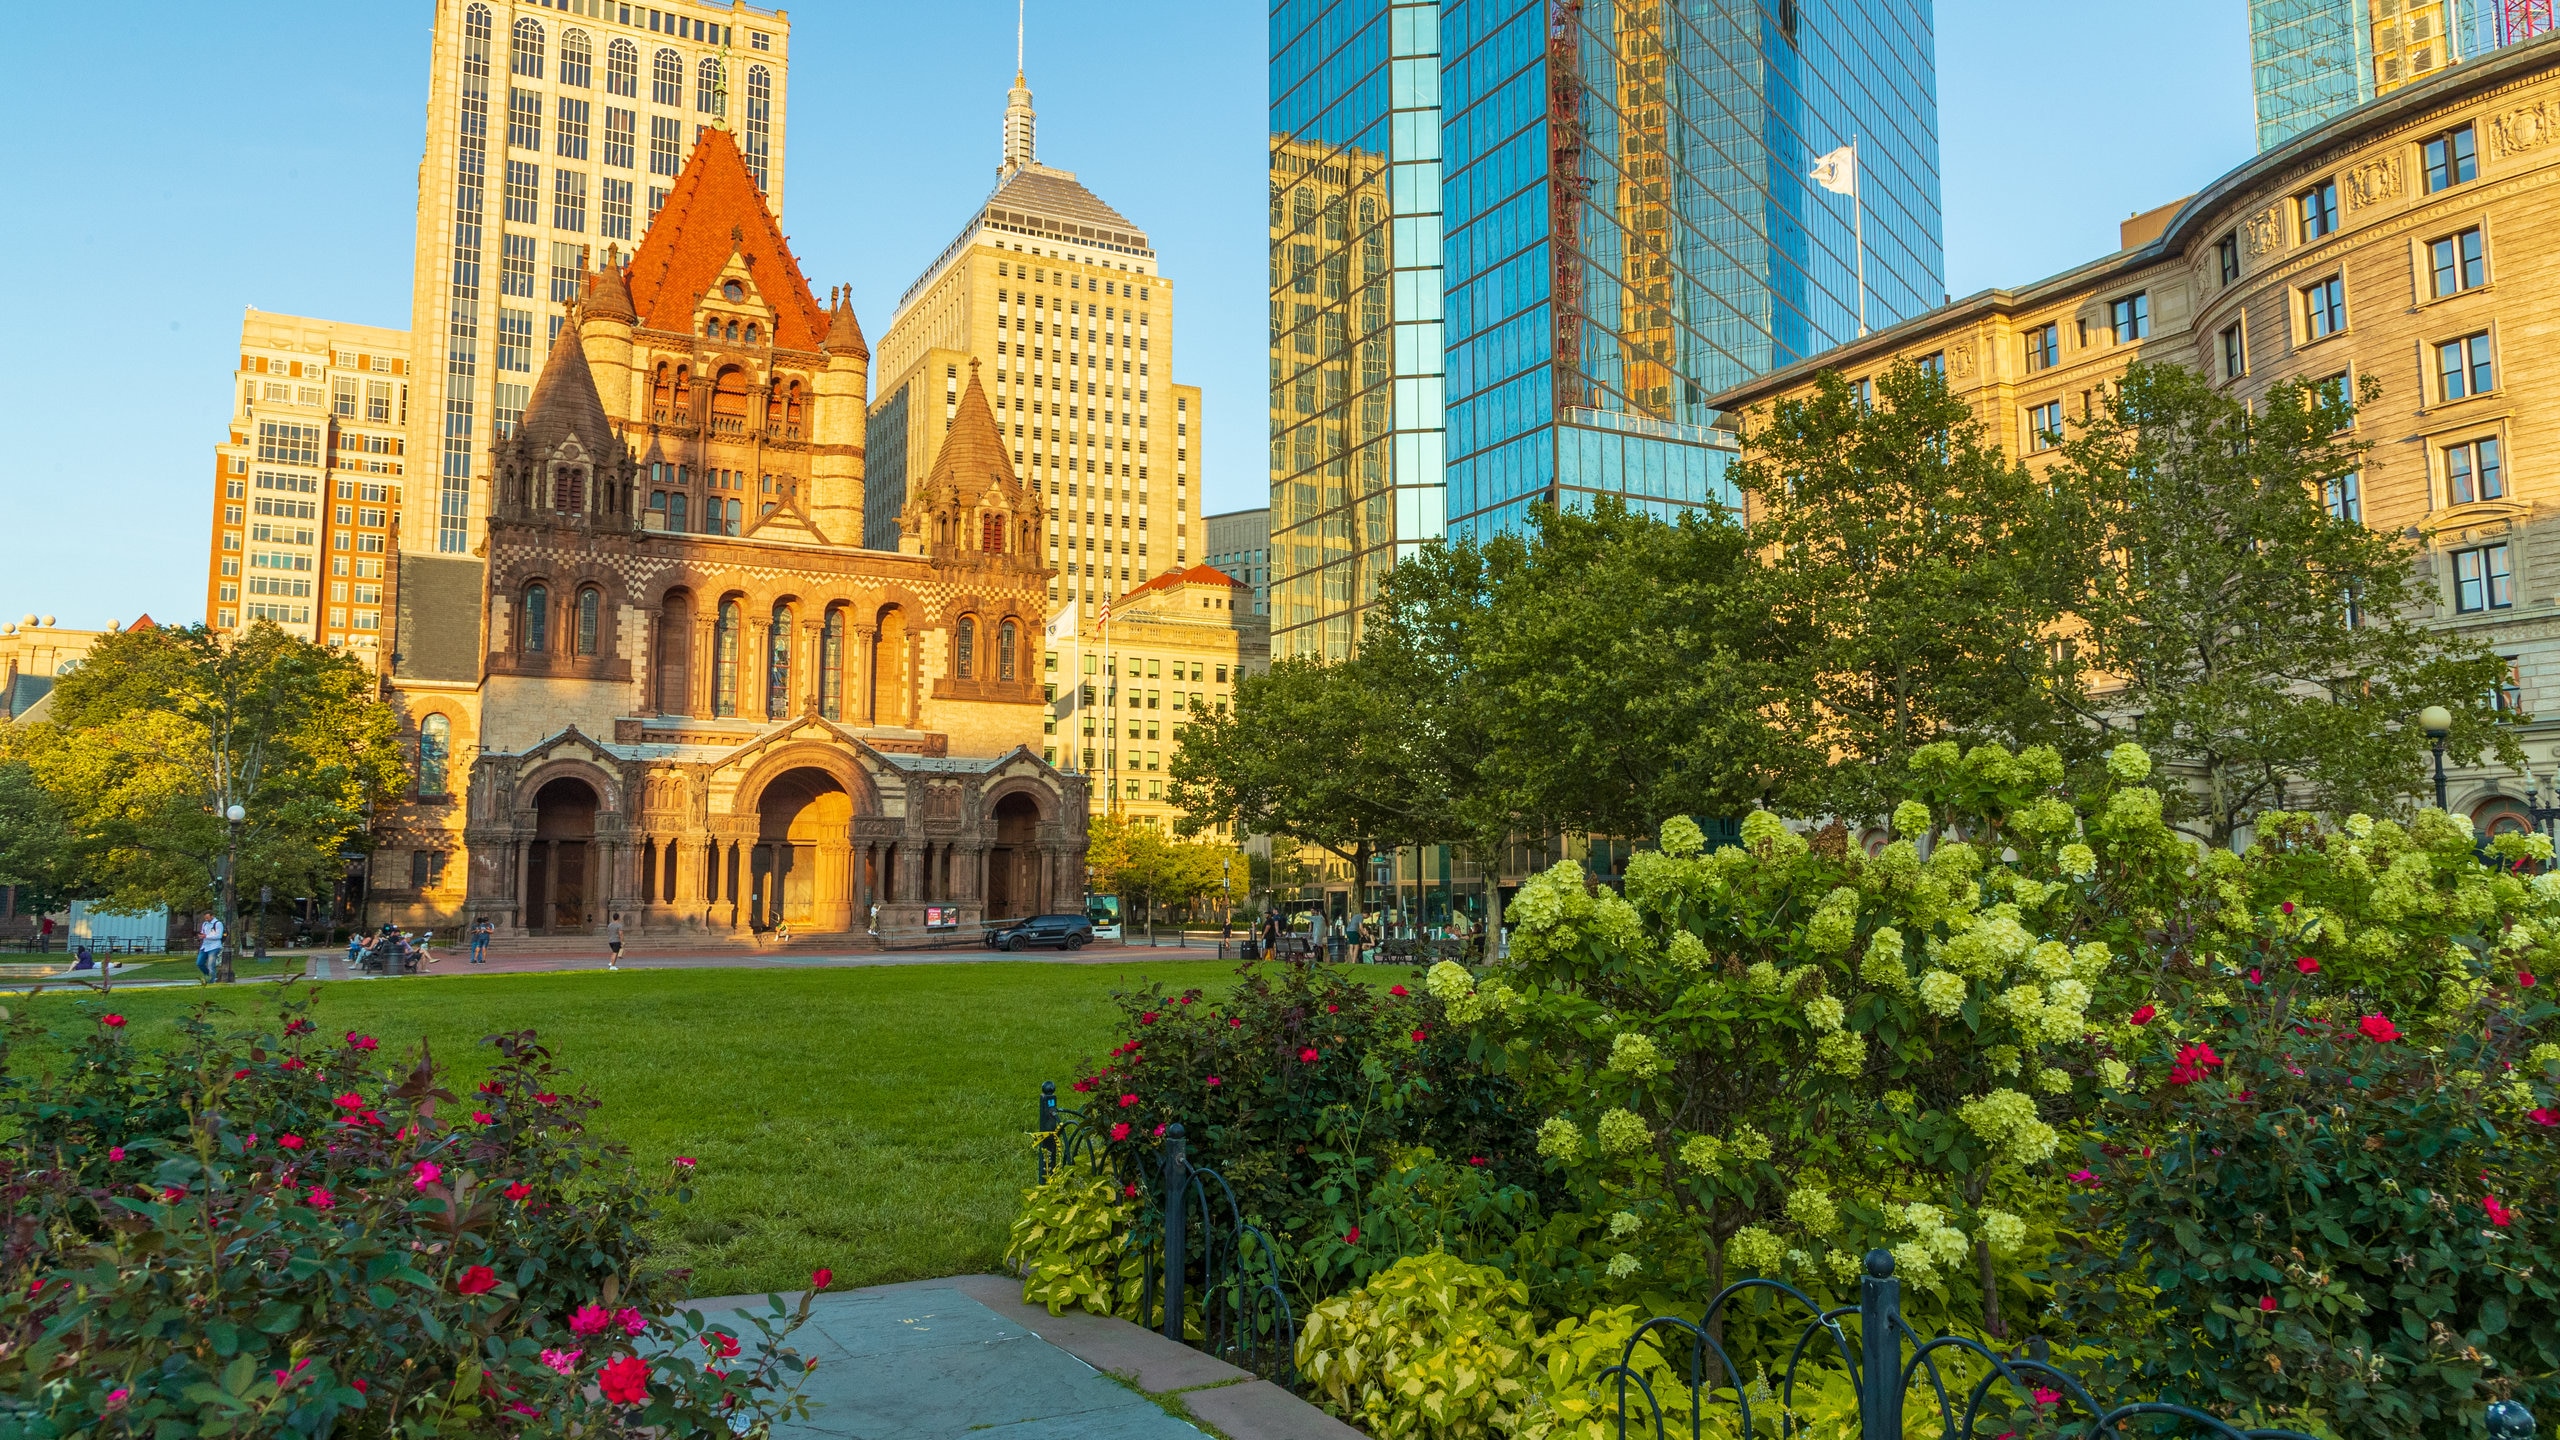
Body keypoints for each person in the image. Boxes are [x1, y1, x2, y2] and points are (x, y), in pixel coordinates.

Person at [195, 912, 223, 981]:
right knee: (199, 963)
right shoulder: (205, 924)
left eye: (208, 917)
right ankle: (209, 975)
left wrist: (206, 936)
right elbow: (203, 932)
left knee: (210, 965)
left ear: (212, 916)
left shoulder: (218, 924)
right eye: (205, 918)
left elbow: (219, 936)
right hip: (205, 946)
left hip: (214, 946)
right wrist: (200, 936)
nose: (206, 919)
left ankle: (212, 979)